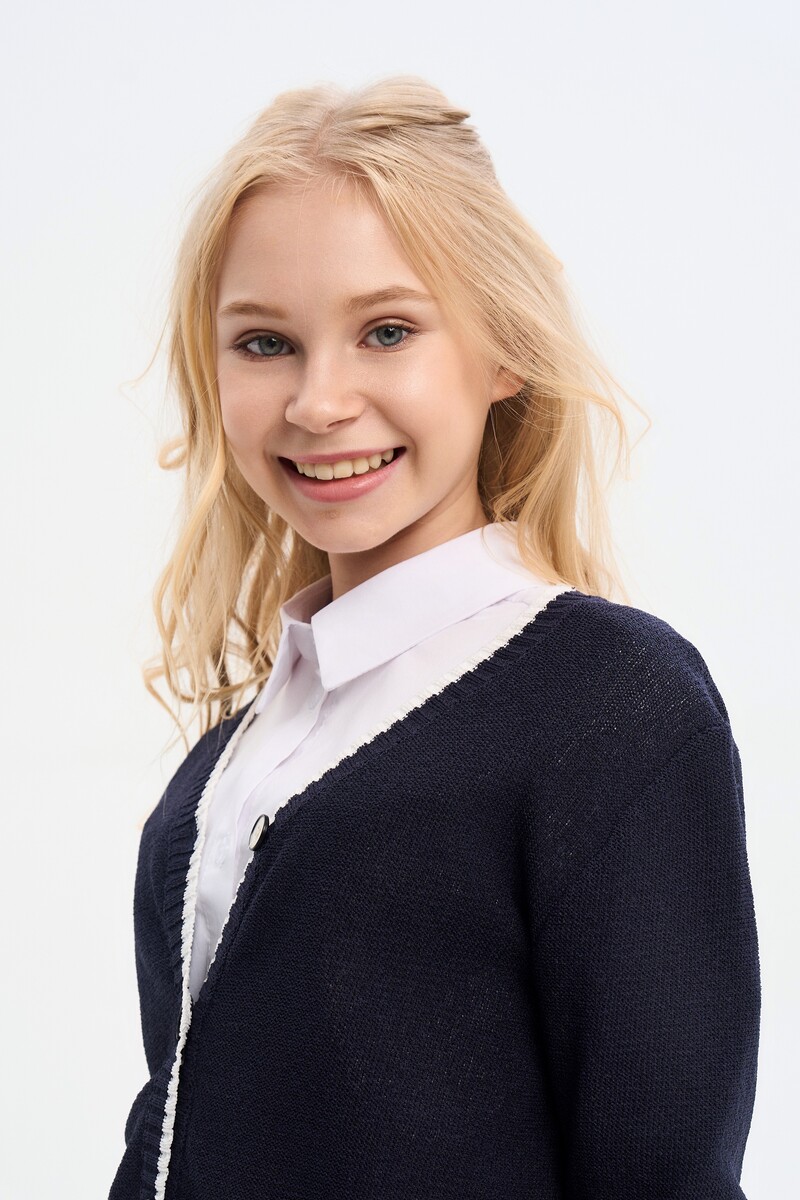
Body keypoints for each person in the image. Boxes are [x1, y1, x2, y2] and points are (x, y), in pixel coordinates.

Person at [109, 76, 760, 1200]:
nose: (318, 402)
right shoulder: (227, 765)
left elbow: (660, 1173)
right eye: (264, 342)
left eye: (387, 331)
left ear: (504, 346)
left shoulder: (610, 705)